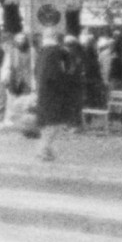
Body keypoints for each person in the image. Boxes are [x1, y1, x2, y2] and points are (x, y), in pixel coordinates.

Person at [34, 28, 78, 163]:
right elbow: (55, 75)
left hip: (43, 91)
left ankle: (47, 151)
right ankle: (43, 149)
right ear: (55, 37)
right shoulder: (54, 52)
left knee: (48, 122)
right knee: (54, 122)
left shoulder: (42, 52)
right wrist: (65, 81)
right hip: (53, 93)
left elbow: (36, 72)